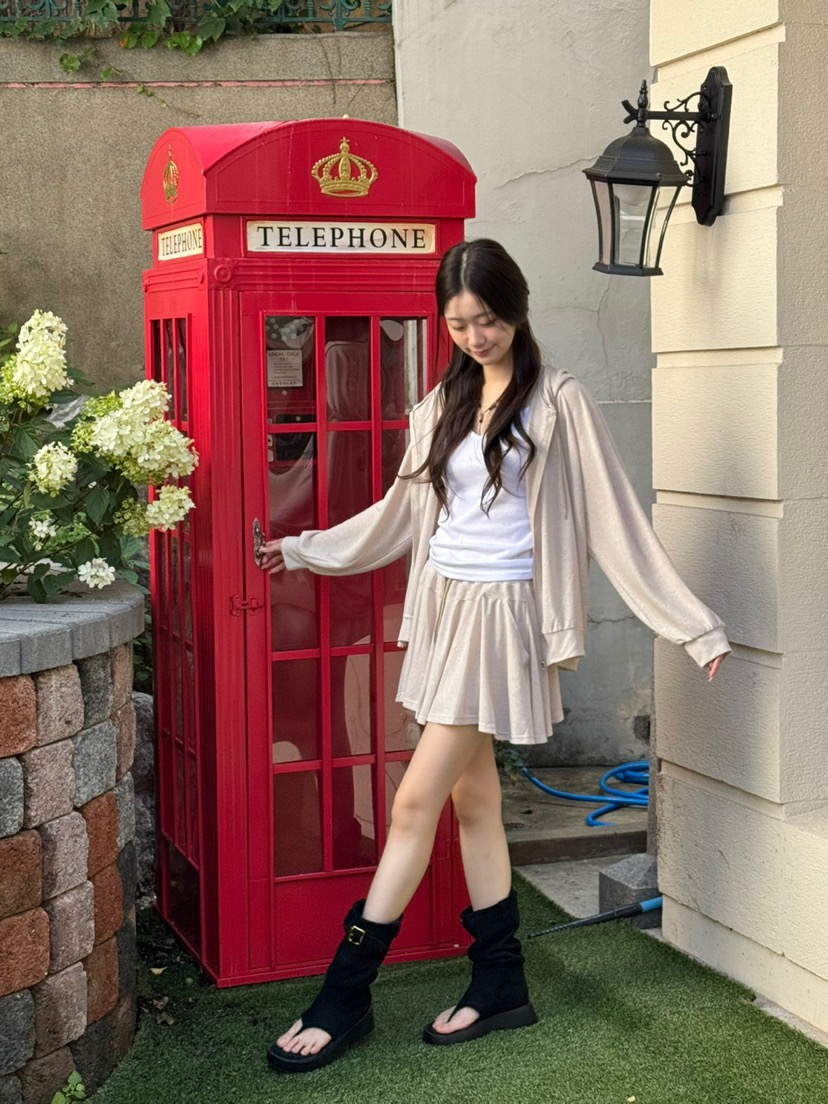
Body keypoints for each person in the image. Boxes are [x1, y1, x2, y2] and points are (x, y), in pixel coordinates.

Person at [259, 238, 729, 1074]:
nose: (476, 336)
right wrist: (303, 549)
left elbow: (615, 520)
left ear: (516, 308)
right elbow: (400, 514)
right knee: (473, 802)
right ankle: (501, 981)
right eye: (459, 324)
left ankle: (344, 993)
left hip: (503, 617)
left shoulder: (559, 400)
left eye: (488, 319)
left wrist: (692, 626)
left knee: (413, 804)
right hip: (445, 609)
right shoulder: (441, 401)